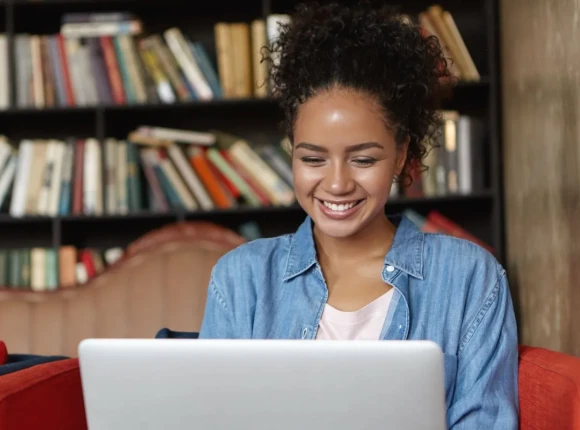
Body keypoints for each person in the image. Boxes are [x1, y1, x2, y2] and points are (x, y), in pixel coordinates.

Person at [198, 1, 519, 428]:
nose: (336, 184)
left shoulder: (468, 278)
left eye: (363, 160)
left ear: (400, 155)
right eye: (313, 159)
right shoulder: (241, 280)